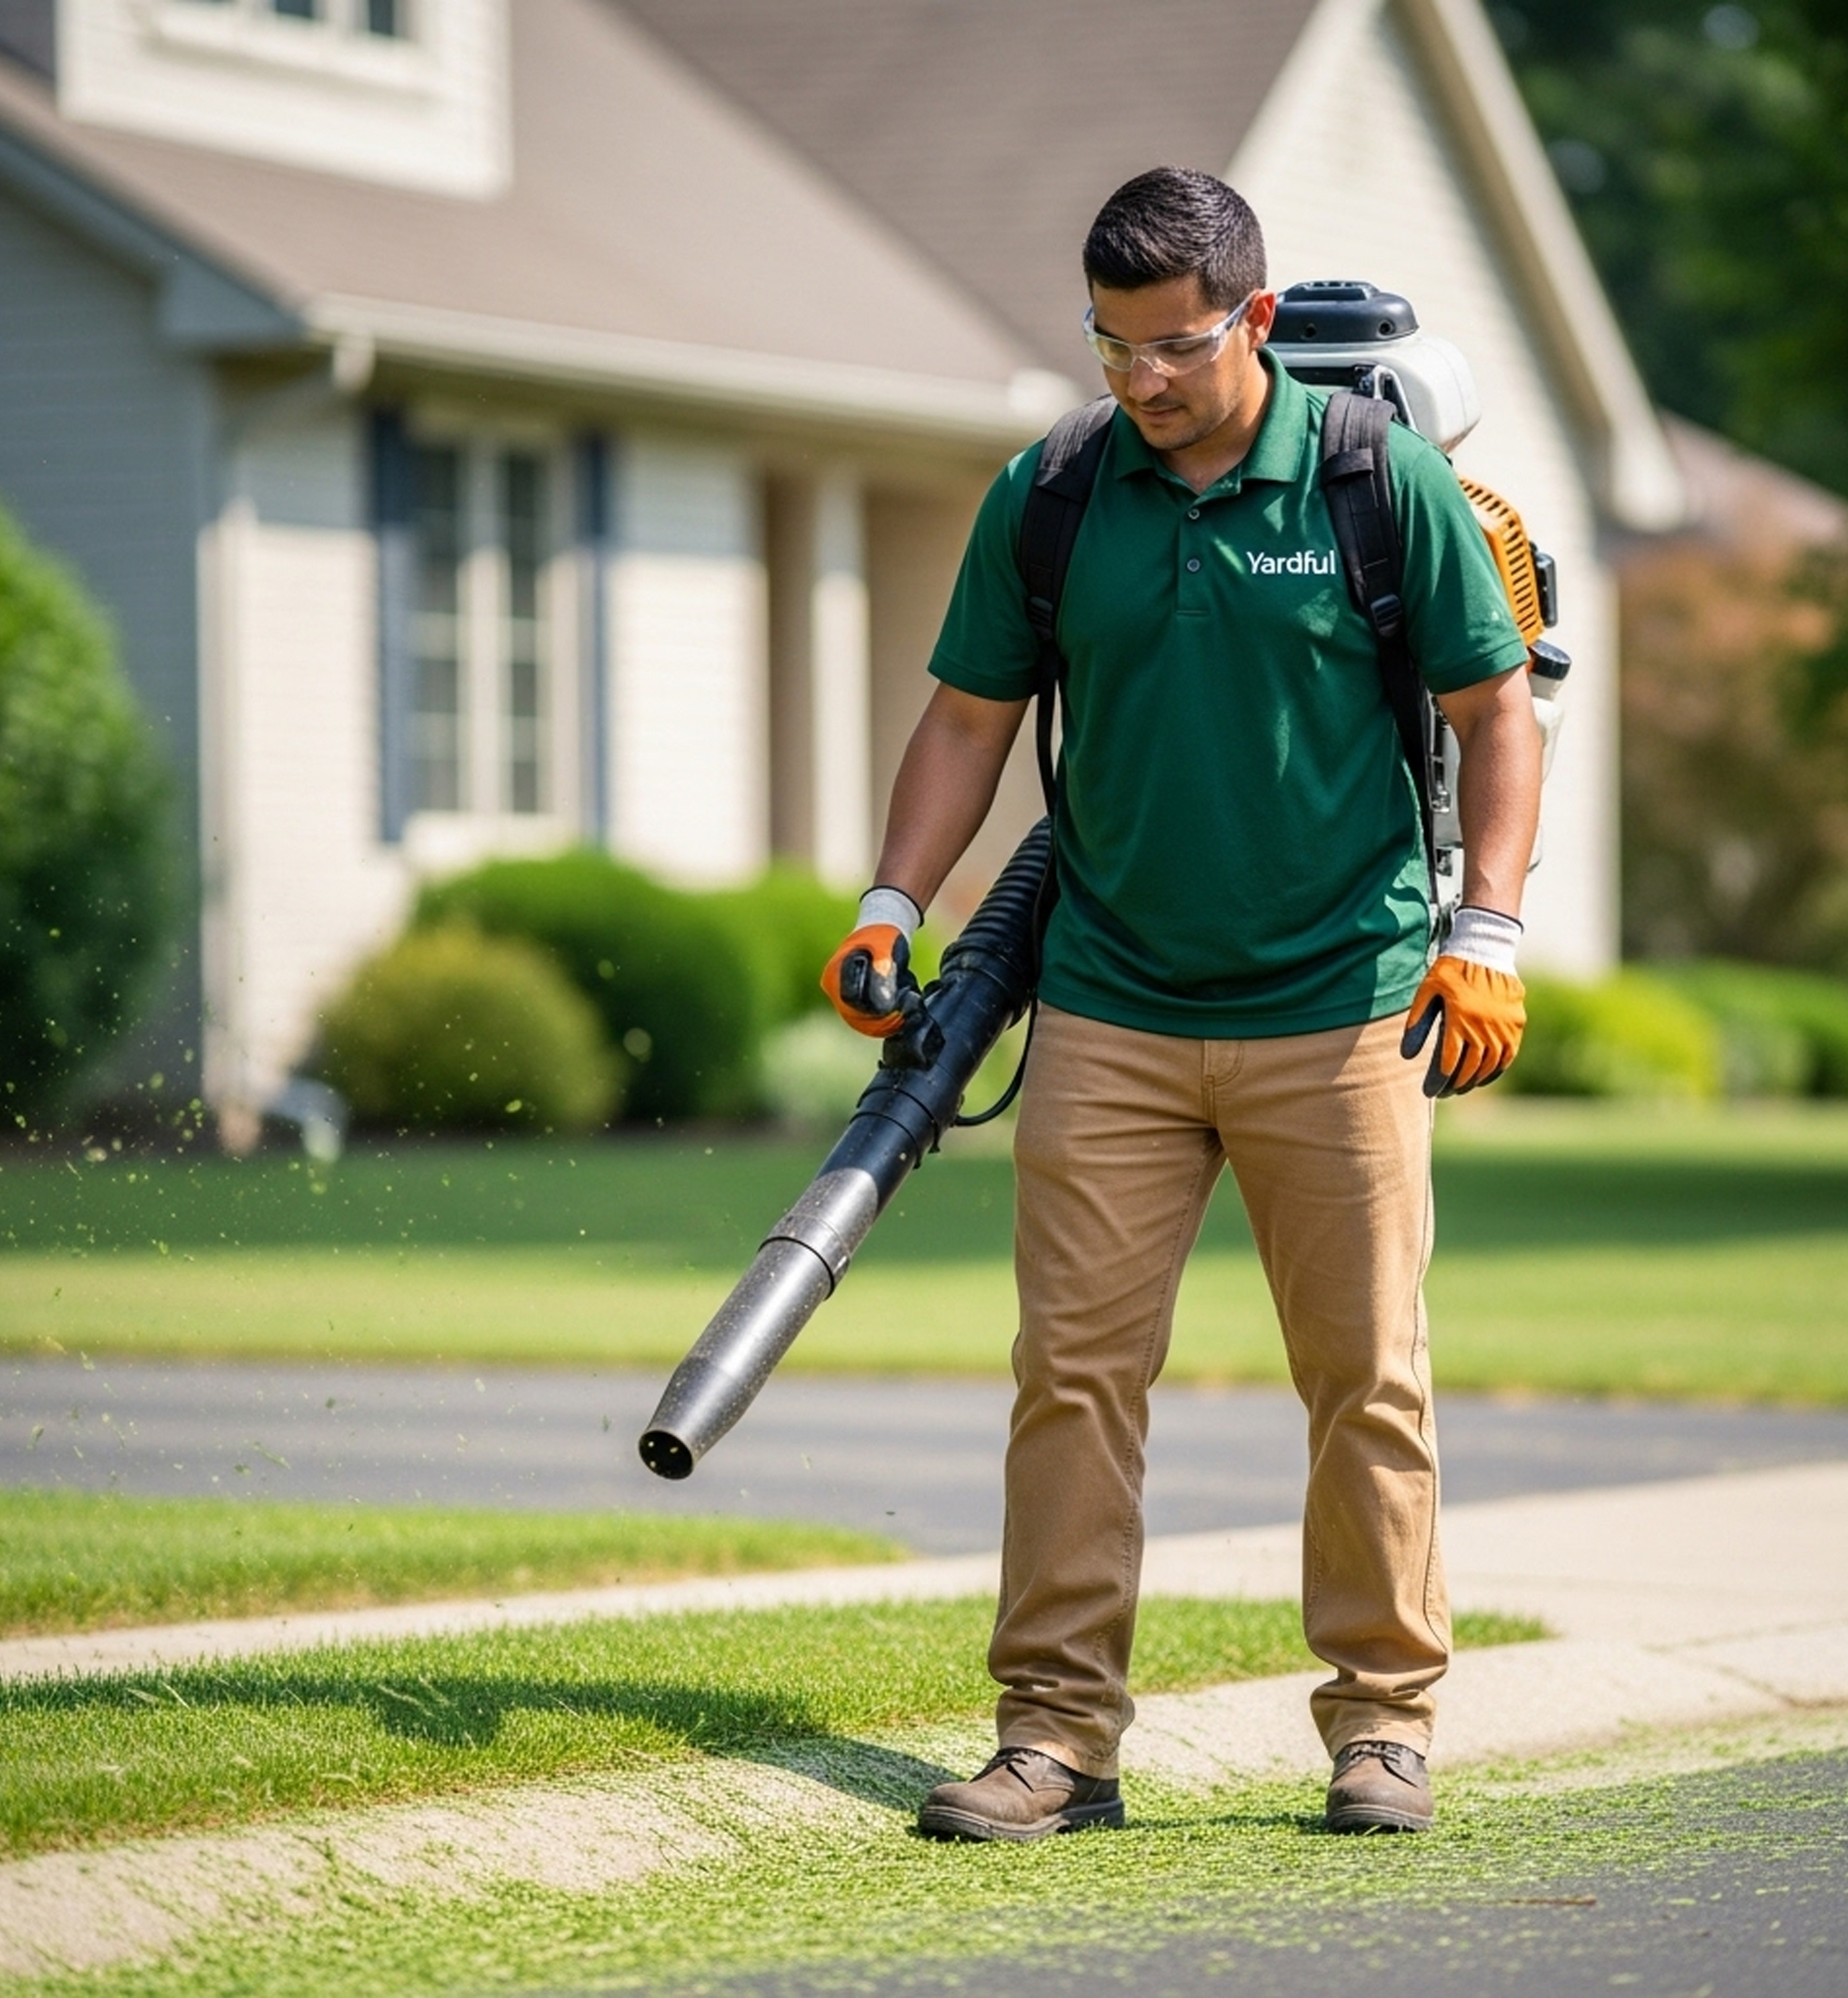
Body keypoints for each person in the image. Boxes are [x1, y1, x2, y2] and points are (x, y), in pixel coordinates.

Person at [822, 168, 1539, 1841]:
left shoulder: (1377, 482)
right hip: (1111, 1006)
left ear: (1255, 319)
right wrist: (890, 903)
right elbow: (966, 719)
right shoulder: (1057, 490)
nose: (1140, 378)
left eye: (1174, 345)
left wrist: (1489, 931)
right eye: (1111, 344)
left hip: (1345, 1004)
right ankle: (1055, 1740)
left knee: (1365, 1375)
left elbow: (1495, 710)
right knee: (1073, 1376)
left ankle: (1383, 1727)